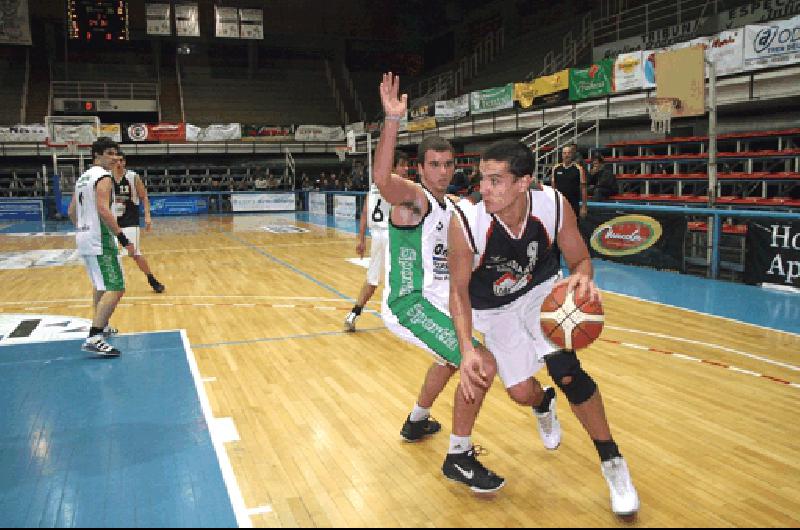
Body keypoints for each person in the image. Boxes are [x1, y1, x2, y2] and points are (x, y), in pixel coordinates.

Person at [448, 139, 639, 516]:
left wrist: (583, 279)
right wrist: (468, 348)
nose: (483, 189)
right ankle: (543, 402)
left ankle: (613, 463)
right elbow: (458, 292)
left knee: (567, 370)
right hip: (492, 308)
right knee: (520, 392)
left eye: (495, 180)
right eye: (482, 179)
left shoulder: (552, 204)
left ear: (523, 183)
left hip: (540, 291)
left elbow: (580, 259)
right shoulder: (468, 220)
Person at [372, 73, 507, 493]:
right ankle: (458, 457)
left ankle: (416, 421)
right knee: (480, 363)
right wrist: (392, 120)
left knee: (450, 358)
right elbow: (381, 180)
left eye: (449, 164)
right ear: (419, 167)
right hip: (409, 303)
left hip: (439, 300)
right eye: (435, 164)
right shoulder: (414, 198)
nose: (444, 171)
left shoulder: (453, 204)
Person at [68, 137, 135, 357]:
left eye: (116, 154)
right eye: (109, 153)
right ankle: (95, 336)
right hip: (100, 238)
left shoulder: (82, 178)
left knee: (100, 284)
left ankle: (102, 325)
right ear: (96, 155)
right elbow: (104, 210)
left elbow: (71, 212)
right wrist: (123, 238)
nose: (115, 158)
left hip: (84, 236)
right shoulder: (104, 177)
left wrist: (84, 228)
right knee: (116, 286)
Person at [344, 150, 410, 331]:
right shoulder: (398, 185)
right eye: (402, 165)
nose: (406, 169)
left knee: (373, 279)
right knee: (399, 278)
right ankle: (398, 318)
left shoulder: (375, 185)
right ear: (393, 167)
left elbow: (365, 211)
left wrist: (361, 239)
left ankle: (353, 314)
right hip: (391, 235)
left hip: (377, 236)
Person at [111, 153, 165, 293]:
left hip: (130, 220)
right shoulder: (106, 178)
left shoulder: (132, 176)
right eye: (116, 160)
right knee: (111, 253)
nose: (118, 163)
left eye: (121, 160)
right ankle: (114, 283)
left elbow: (144, 197)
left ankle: (151, 279)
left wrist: (147, 216)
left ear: (124, 162)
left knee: (134, 253)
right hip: (112, 222)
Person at [552, 144, 588, 219]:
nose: (566, 155)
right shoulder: (556, 168)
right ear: (562, 155)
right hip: (560, 205)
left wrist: (584, 207)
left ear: (572, 155)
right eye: (564, 153)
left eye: (569, 153)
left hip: (573, 204)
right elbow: (553, 189)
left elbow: (583, 188)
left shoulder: (579, 169)